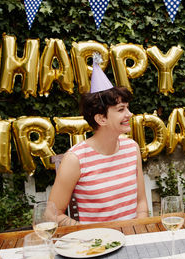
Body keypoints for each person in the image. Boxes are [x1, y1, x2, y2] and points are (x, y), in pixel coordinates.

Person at [49, 54, 148, 226]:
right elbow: (52, 215)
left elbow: (141, 204)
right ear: (101, 119)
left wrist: (139, 231)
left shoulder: (132, 148)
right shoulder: (75, 159)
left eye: (128, 108)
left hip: (133, 238)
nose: (129, 114)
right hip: (97, 246)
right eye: (121, 109)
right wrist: (88, 233)